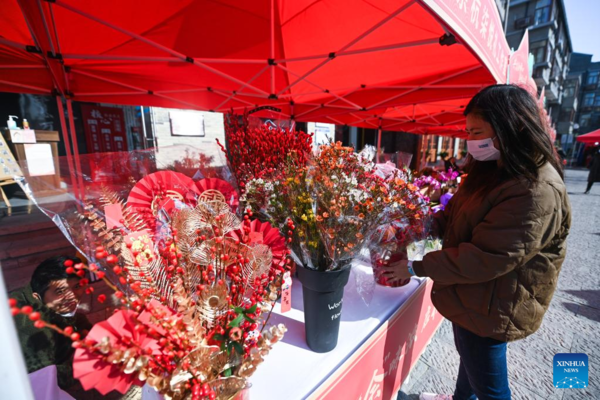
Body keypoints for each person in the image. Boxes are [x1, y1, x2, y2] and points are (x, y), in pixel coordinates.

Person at [381, 85, 571, 400]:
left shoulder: (535, 188)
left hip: (494, 302)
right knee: (471, 364)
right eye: (467, 131)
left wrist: (416, 266)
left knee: (490, 386)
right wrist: (423, 227)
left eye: (477, 132)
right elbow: (458, 212)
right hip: (475, 297)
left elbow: (487, 256)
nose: (470, 140)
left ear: (513, 127)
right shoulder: (492, 169)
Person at [10, 255, 91, 391]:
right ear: (37, 296)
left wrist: (85, 328)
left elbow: (71, 318)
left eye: (77, 286)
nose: (72, 296)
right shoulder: (33, 330)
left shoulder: (37, 294)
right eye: (60, 291)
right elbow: (46, 381)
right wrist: (89, 363)